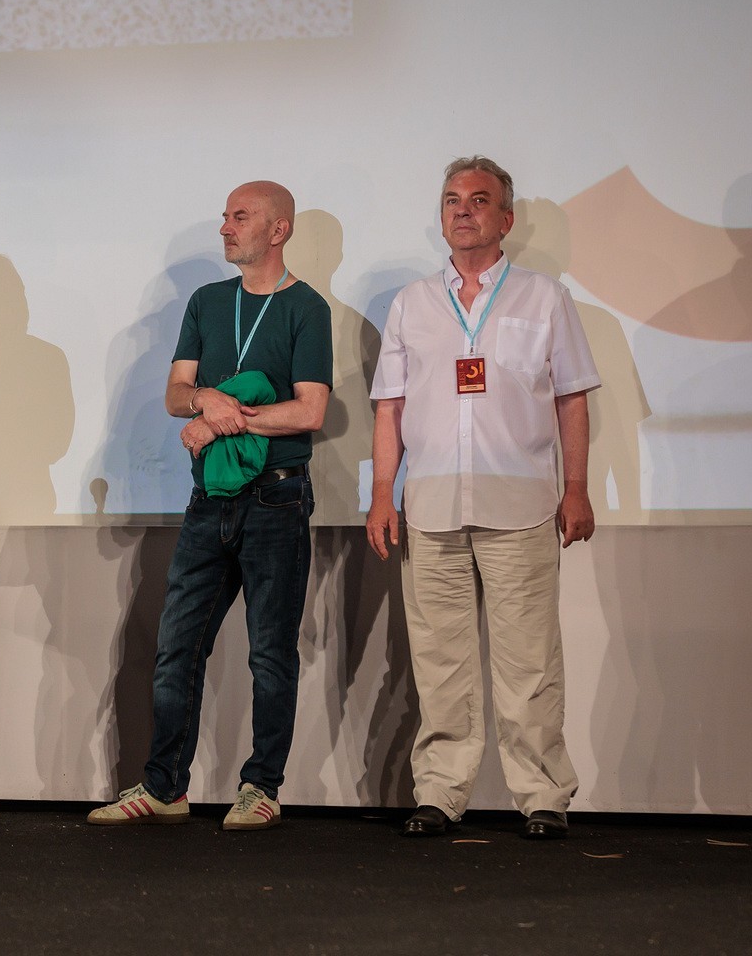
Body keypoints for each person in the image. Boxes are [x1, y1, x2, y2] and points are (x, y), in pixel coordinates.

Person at [367, 157, 599, 840]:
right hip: (430, 507)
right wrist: (382, 494)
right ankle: (440, 793)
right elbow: (389, 407)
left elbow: (571, 399)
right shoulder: (411, 302)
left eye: (478, 199)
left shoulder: (543, 297)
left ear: (505, 218)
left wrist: (576, 488)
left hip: (521, 505)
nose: (462, 210)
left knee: (530, 661)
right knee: (440, 663)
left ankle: (543, 796)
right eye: (451, 200)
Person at [88, 181, 332, 830]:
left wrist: (221, 418)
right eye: (225, 216)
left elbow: (310, 410)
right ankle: (164, 787)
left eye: (240, 217)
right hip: (209, 500)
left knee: (269, 654)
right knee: (177, 646)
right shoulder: (207, 301)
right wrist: (205, 402)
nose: (225, 227)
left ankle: (262, 787)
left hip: (278, 497)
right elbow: (177, 392)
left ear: (278, 230)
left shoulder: (306, 307)